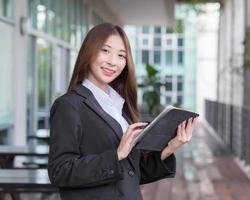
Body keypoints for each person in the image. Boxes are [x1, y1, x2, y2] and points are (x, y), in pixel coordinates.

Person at [48, 23, 198, 200]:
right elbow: (60, 171)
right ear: (89, 52)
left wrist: (169, 149)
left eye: (121, 56)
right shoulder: (69, 105)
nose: (113, 61)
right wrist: (116, 155)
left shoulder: (119, 106)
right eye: (105, 51)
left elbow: (130, 172)